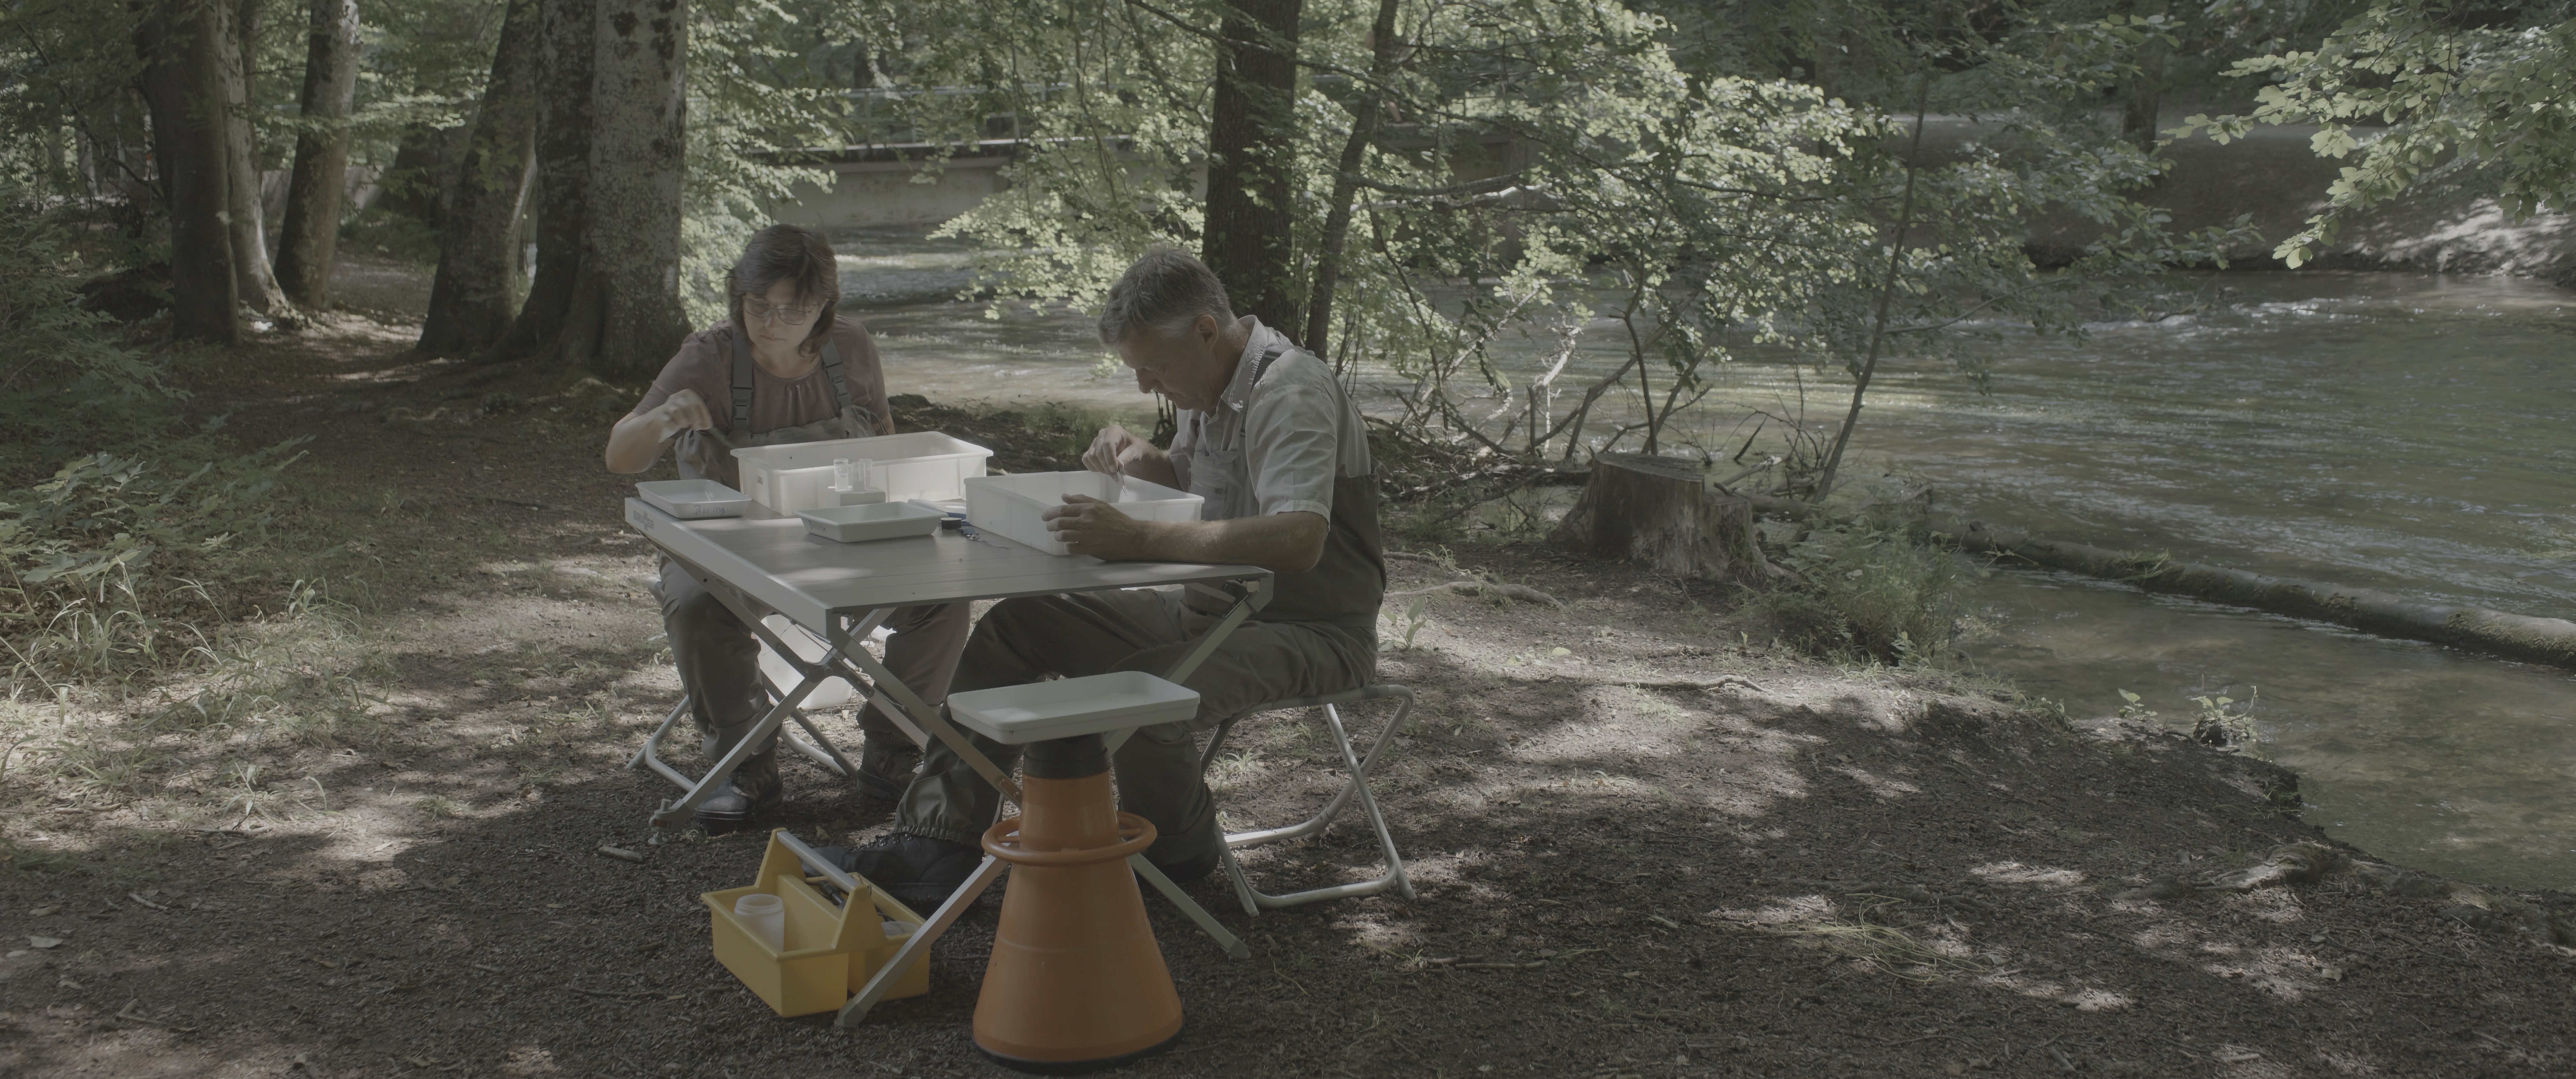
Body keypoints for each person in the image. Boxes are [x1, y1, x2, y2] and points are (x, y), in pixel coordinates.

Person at [833, 247, 1385, 907]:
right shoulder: (1209, 383)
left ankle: (1175, 857)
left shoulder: (1290, 391)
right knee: (1018, 625)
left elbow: (1299, 537)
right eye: (1136, 369)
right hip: (1208, 614)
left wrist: (1137, 539)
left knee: (1142, 694)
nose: (1146, 386)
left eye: (1153, 367)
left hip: (1312, 630)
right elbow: (1193, 485)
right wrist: (1141, 458)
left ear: (1206, 331)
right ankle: (936, 842)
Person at [606, 224, 969, 832]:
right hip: (725, 549)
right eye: (758, 306)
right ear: (738, 297)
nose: (772, 324)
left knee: (943, 597)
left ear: (824, 306)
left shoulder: (851, 347)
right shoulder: (710, 355)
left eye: (793, 311)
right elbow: (620, 457)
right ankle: (743, 765)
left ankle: (895, 748)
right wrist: (664, 419)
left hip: (844, 541)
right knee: (696, 604)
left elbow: (886, 443)